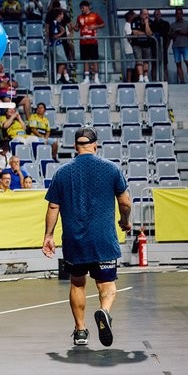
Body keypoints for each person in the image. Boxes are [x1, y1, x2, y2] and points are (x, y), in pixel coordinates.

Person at [43, 127, 131, 347]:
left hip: (75, 240)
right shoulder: (112, 169)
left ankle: (80, 330)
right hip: (103, 239)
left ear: (75, 146)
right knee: (106, 285)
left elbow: (53, 206)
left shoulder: (62, 172)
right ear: (95, 145)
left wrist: (48, 235)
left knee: (77, 284)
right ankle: (104, 311)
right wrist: (125, 220)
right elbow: (125, 203)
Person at [72, 0, 105, 84]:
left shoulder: (95, 15)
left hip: (93, 40)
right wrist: (72, 26)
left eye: (82, 8)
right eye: (80, 8)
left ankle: (96, 78)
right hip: (83, 41)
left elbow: (103, 24)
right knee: (85, 60)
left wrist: (95, 26)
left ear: (87, 7)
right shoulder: (79, 17)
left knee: (95, 59)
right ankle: (86, 78)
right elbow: (77, 28)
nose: (81, 9)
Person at [169, 8, 188, 84]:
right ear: (175, 15)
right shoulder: (172, 25)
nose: (179, 15)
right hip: (176, 46)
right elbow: (169, 36)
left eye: (180, 13)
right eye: (177, 14)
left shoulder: (187, 23)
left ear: (182, 14)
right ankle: (182, 80)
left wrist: (184, 32)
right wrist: (175, 34)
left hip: (185, 46)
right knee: (178, 64)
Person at [130, 8, 154, 83]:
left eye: (147, 14)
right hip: (137, 44)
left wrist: (146, 23)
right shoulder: (135, 20)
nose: (146, 16)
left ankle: (146, 76)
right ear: (140, 14)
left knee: (146, 60)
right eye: (145, 14)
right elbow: (135, 32)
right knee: (139, 60)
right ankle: (140, 76)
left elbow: (150, 33)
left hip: (147, 44)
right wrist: (145, 33)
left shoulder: (150, 22)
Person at [149, 9, 170, 82]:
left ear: (160, 15)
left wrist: (166, 47)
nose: (157, 16)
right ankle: (154, 80)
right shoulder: (151, 24)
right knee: (154, 65)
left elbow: (168, 36)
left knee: (164, 65)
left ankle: (166, 80)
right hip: (154, 48)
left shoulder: (166, 24)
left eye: (158, 14)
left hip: (163, 47)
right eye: (155, 14)